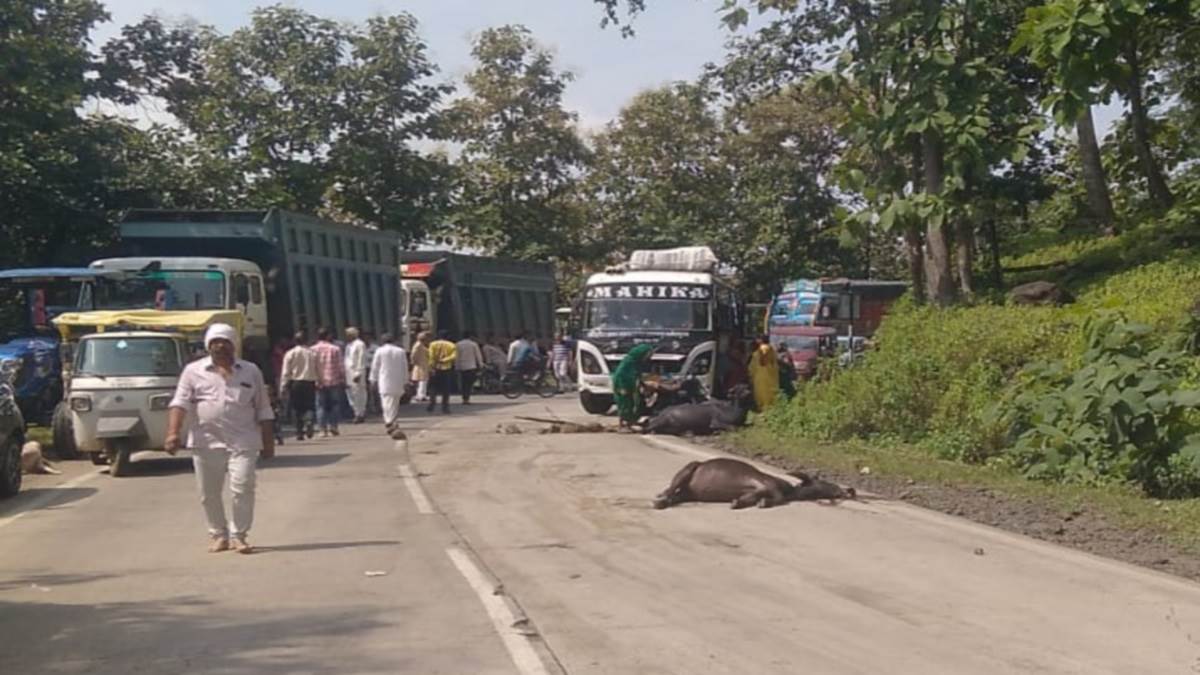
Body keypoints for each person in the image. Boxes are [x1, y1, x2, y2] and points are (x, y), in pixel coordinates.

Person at [165, 323, 275, 554]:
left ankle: (239, 535)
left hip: (243, 440)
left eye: (225, 342)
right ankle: (218, 534)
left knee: (243, 486)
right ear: (208, 346)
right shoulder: (193, 371)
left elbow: (263, 408)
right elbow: (180, 403)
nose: (220, 346)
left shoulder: (250, 371)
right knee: (209, 493)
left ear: (234, 345)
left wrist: (268, 442)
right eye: (215, 342)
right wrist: (173, 433)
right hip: (206, 441)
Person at [279, 330, 318, 441]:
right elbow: (318, 368)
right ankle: (309, 420)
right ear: (306, 340)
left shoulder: (290, 353)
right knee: (310, 405)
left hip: (296, 383)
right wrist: (319, 380)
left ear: (295, 341)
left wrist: (283, 386)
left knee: (297, 408)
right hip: (310, 382)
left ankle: (299, 433)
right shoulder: (312, 353)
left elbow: (285, 372)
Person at [369, 333, 409, 430]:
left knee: (386, 402)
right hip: (398, 380)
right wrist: (405, 381)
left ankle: (389, 421)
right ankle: (392, 420)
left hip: (385, 380)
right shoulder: (400, 351)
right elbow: (405, 367)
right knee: (395, 402)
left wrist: (373, 379)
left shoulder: (380, 351)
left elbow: (375, 366)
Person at [311, 327, 345, 437]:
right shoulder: (335, 349)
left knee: (320, 405)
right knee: (334, 404)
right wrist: (343, 378)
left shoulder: (312, 350)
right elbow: (340, 366)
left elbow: (311, 367)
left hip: (318, 381)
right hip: (333, 380)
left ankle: (322, 429)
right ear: (328, 336)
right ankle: (334, 427)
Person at [611, 344, 654, 428]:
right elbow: (620, 374)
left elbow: (637, 375)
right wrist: (622, 387)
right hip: (623, 384)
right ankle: (624, 423)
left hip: (630, 384)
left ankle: (630, 422)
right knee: (625, 403)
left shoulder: (637, 363)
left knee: (632, 402)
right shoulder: (629, 362)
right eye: (648, 354)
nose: (649, 357)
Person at [427, 331, 457, 414]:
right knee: (446, 389)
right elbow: (454, 356)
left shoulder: (432, 344)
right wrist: (444, 360)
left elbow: (431, 356)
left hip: (435, 368)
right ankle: (445, 407)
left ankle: (432, 403)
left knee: (432, 387)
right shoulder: (451, 345)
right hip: (446, 368)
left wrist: (432, 366)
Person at [748, 335, 780, 411]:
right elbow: (776, 366)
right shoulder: (773, 352)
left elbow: (752, 368)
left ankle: (762, 411)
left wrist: (751, 377)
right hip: (772, 378)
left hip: (760, 378)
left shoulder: (756, 354)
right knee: (771, 396)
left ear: (761, 341)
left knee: (760, 395)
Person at [344, 326, 368, 423]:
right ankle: (356, 412)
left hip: (356, 372)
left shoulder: (360, 344)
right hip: (348, 372)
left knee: (359, 393)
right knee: (351, 393)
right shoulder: (348, 345)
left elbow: (361, 359)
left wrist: (358, 373)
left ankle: (360, 414)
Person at [455, 331, 484, 404]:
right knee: (469, 382)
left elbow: (457, 356)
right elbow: (478, 355)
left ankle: (464, 398)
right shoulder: (473, 344)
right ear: (470, 336)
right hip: (471, 366)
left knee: (464, 382)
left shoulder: (458, 344)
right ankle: (467, 397)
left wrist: (456, 366)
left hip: (462, 366)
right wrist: (480, 364)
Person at [411, 332, 431, 402]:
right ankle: (421, 395)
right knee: (422, 380)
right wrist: (414, 361)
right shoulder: (418, 345)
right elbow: (413, 354)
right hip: (420, 365)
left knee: (423, 380)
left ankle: (422, 395)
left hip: (423, 364)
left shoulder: (421, 345)